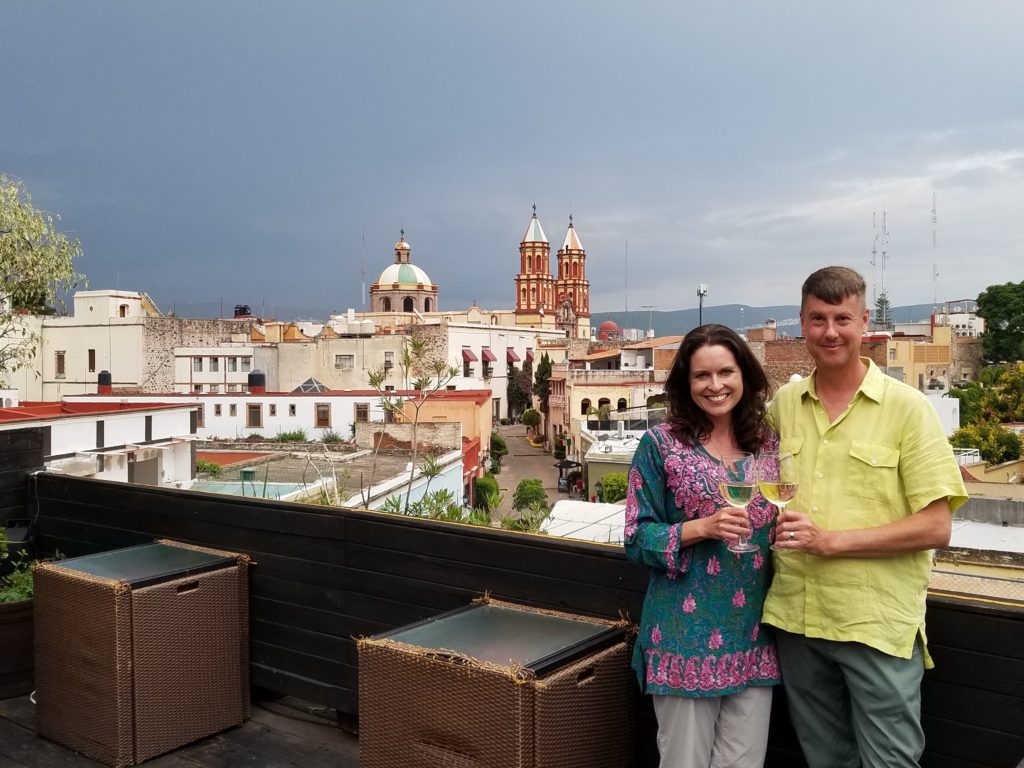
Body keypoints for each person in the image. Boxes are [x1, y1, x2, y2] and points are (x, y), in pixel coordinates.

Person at [764, 266, 968, 768]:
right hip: (798, 620)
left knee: (890, 762)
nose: (830, 332)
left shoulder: (908, 409)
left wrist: (830, 542)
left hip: (874, 624)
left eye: (842, 319)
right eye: (817, 319)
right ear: (802, 323)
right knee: (825, 759)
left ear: (864, 323)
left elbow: (936, 527)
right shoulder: (785, 405)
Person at [625, 324, 781, 768]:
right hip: (683, 639)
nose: (715, 386)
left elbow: (774, 516)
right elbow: (636, 537)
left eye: (726, 372)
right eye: (701, 376)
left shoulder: (767, 444)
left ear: (744, 376)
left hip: (754, 635)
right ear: (685, 383)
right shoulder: (660, 445)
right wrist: (701, 528)